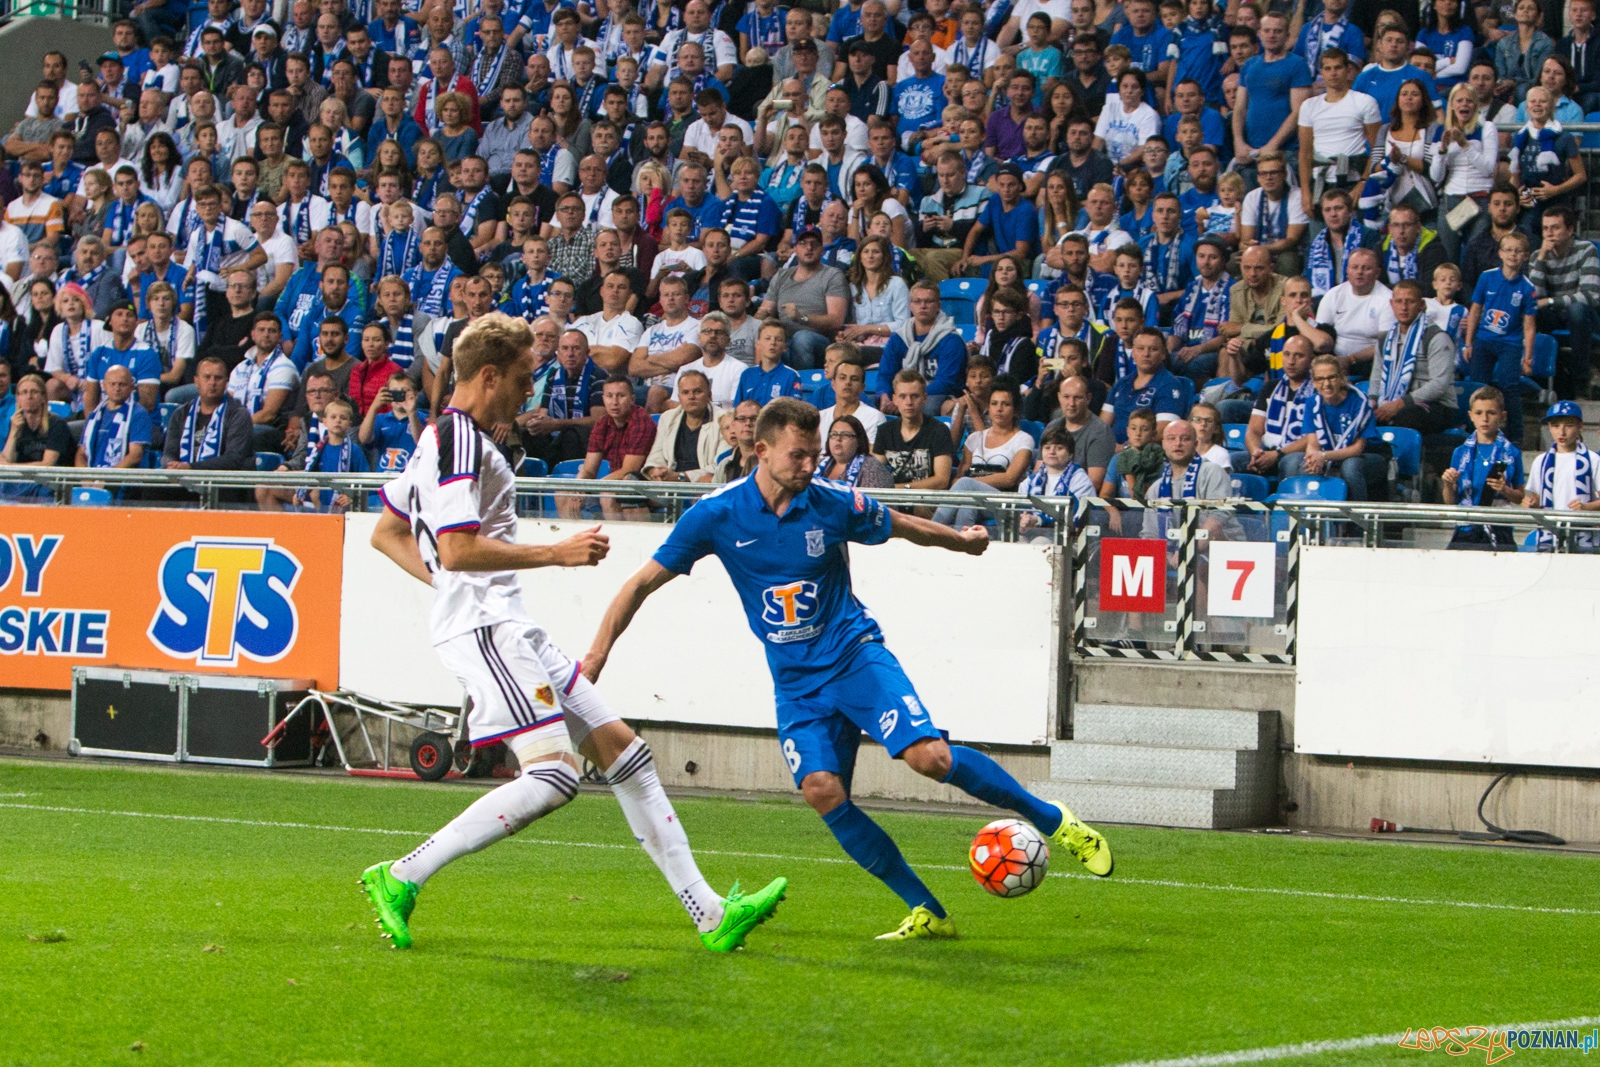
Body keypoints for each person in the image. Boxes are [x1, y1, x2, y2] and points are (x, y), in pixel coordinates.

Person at [585, 396, 1111, 940]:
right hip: (796, 682)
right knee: (821, 790)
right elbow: (639, 583)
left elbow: (902, 523)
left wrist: (963, 543)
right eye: (799, 456)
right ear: (761, 451)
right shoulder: (716, 514)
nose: (811, 466)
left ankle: (1057, 822)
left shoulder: (830, 502)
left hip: (854, 655)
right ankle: (927, 911)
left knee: (928, 758)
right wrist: (597, 657)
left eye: (815, 455)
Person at [362, 313, 785, 952]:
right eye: (523, 378)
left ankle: (709, 913)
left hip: (504, 625)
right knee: (554, 775)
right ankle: (401, 875)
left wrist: (454, 584)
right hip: (486, 630)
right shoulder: (460, 442)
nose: (529, 391)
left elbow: (386, 532)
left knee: (629, 757)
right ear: (487, 375)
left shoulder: (440, 437)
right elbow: (454, 550)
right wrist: (551, 555)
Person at [1464, 230, 1539, 442]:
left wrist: (1528, 356)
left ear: (1526, 256)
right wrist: (1468, 342)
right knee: (1478, 387)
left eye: (1518, 251)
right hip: (1484, 340)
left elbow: (1529, 326)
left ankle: (1515, 436)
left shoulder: (1528, 288)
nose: (1512, 255)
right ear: (1500, 253)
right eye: (1508, 250)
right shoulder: (1486, 277)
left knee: (1509, 386)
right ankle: (1474, 434)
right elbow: (1475, 310)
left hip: (1510, 343)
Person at [931, 379, 1036, 527]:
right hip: (975, 500)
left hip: (1007, 503)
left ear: (1015, 410)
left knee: (966, 486)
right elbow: (958, 479)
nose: (999, 409)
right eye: (994, 404)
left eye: (1005, 404)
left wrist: (970, 483)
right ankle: (962, 547)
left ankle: (932, 530)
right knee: (966, 507)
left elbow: (1010, 478)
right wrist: (967, 485)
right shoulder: (975, 438)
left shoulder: (1024, 439)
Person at [1528, 205, 1600, 400]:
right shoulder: (1537, 255)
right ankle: (1548, 377)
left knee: (1576, 310)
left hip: (1583, 316)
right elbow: (1534, 298)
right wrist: (1542, 258)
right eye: (1545, 228)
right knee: (1532, 313)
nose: (1549, 233)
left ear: (1570, 230)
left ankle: (1581, 378)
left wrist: (1550, 301)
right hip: (1553, 315)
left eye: (1555, 227)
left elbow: (1590, 296)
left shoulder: (1586, 250)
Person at [1370, 280, 1458, 436]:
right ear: (1392, 304)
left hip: (1437, 406)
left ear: (1422, 305)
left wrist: (1399, 404)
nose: (1403, 307)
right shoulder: (1386, 339)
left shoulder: (1436, 337)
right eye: (1399, 301)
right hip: (1394, 402)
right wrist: (1372, 402)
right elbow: (1377, 376)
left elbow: (1439, 385)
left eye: (1410, 301)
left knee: (1406, 416)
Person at [1441, 385, 1524, 548]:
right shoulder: (1460, 452)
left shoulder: (1511, 453)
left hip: (1499, 528)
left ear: (1502, 416)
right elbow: (1450, 501)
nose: (1484, 419)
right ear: (1471, 416)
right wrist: (1448, 484)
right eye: (1479, 413)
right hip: (1465, 527)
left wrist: (1505, 490)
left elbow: (1520, 496)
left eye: (1491, 413)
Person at [756, 227, 848, 370]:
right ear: (795, 249)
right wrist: (760, 317)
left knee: (802, 338)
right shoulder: (782, 275)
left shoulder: (832, 275)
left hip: (818, 342)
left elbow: (836, 320)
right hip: (784, 341)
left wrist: (801, 318)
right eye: (803, 243)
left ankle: (802, 386)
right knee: (763, 339)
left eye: (814, 244)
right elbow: (766, 309)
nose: (809, 248)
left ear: (822, 250)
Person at [873, 281, 966, 413]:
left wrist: (910, 399)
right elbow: (885, 374)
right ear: (910, 306)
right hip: (903, 397)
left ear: (938, 306)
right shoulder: (899, 338)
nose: (923, 306)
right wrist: (885, 397)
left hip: (938, 397)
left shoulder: (951, 340)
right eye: (917, 301)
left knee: (929, 406)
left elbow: (945, 383)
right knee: (869, 403)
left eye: (928, 301)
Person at [1508, 86, 1586, 240]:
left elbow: (1580, 175)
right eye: (1533, 101)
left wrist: (1556, 190)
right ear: (1527, 106)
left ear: (1551, 106)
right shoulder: (1519, 138)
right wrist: (1515, 196)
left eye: (1542, 101)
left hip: (1556, 203)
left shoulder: (1564, 138)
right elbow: (1515, 175)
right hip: (1529, 206)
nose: (1537, 105)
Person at [1521, 401, 1600, 547]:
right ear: (1549, 428)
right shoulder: (1541, 461)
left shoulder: (1593, 460)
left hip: (1583, 534)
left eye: (1568, 425)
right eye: (1555, 426)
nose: (1561, 432)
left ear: (1580, 427)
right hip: (1549, 534)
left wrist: (1586, 507)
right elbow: (1538, 499)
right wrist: (1531, 503)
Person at [163, 355, 255, 470]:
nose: (212, 382)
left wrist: (191, 468)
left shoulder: (238, 414)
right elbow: (168, 453)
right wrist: (172, 465)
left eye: (218, 378)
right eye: (207, 377)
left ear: (226, 382)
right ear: (196, 381)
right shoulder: (180, 413)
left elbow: (233, 459)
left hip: (223, 482)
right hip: (182, 479)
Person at [1314, 248, 1393, 378]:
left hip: (1371, 363)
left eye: (1366, 268)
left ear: (1377, 273)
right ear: (1347, 270)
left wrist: (1350, 359)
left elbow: (1385, 345)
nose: (1359, 272)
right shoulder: (1333, 295)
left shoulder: (1387, 299)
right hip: (1333, 359)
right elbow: (1321, 336)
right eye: (1354, 267)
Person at [1243, 334, 1315, 475]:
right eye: (1287, 354)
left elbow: (1314, 437)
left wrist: (1278, 455)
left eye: (1298, 356)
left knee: (1290, 462)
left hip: (1297, 454)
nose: (1291, 361)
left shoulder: (1318, 391)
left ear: (1311, 360)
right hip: (1268, 451)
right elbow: (1254, 430)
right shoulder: (1271, 388)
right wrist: (1255, 452)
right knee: (1232, 460)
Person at [643, 369, 724, 482]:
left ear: (709, 395)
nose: (691, 397)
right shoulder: (668, 418)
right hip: (669, 483)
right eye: (685, 392)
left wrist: (680, 477)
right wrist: (655, 470)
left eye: (697, 391)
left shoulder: (723, 420)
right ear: (679, 397)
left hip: (702, 485)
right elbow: (657, 454)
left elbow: (721, 466)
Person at [1144, 418, 1233, 500]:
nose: (1178, 443)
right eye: (1171, 438)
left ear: (1195, 444)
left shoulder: (1213, 473)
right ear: (1163, 444)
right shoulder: (1155, 489)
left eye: (1185, 439)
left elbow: (1219, 514)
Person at [1376, 204, 1448, 296]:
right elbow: (1375, 285)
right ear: (1389, 229)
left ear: (1418, 227)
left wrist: (1392, 290)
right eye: (1396, 225)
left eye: (1406, 225)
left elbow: (1430, 289)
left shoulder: (1434, 250)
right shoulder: (1381, 248)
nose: (1401, 231)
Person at [818, 351, 885, 442]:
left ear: (862, 387)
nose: (848, 382)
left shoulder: (874, 418)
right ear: (833, 384)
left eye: (854, 379)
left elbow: (872, 455)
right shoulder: (821, 418)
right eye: (842, 378)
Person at [817, 412, 894, 487]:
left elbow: (875, 498)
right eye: (834, 434)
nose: (838, 438)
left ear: (858, 441)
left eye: (845, 435)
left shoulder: (873, 468)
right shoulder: (818, 464)